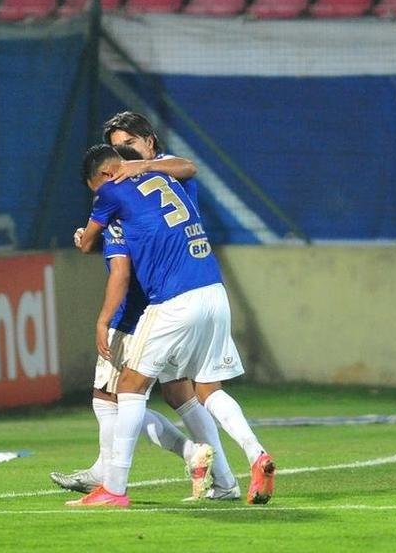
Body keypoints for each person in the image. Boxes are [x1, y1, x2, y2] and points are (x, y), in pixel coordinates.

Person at [69, 143, 275, 507]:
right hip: (214, 291)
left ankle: (114, 488)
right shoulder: (169, 177)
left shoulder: (112, 191)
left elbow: (88, 241)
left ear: (103, 175)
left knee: (129, 387)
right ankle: (242, 467)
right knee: (205, 390)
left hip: (174, 299)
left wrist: (83, 239)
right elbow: (190, 168)